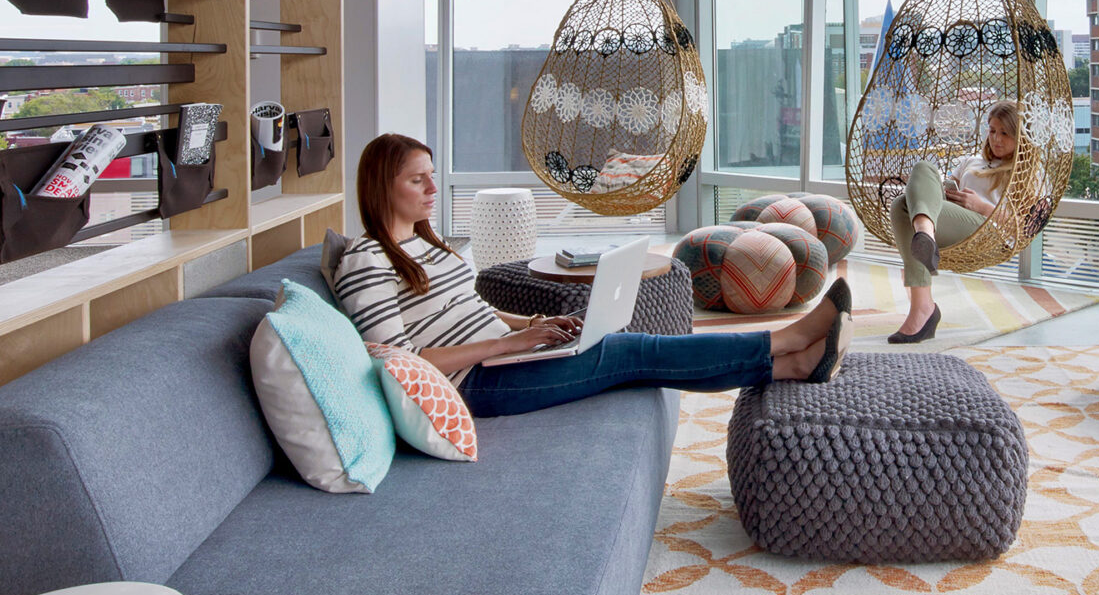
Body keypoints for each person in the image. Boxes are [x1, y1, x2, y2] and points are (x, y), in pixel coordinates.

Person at [331, 133, 852, 418]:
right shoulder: (365, 260)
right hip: (476, 385)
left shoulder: (427, 245)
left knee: (623, 344)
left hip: (504, 357)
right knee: (631, 352)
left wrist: (527, 323)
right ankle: (788, 339)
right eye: (416, 180)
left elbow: (470, 311)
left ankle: (792, 365)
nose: (431, 188)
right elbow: (402, 363)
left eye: (431, 176)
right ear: (383, 186)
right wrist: (505, 348)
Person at [885, 100, 1023, 342]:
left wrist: (982, 207)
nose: (996, 139)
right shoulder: (970, 161)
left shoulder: (1024, 172)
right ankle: (925, 234)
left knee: (901, 205)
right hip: (952, 221)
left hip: (987, 233)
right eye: (992, 131)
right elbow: (939, 191)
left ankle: (924, 307)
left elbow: (1024, 226)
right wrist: (932, 189)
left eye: (1004, 133)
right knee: (923, 169)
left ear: (1018, 136)